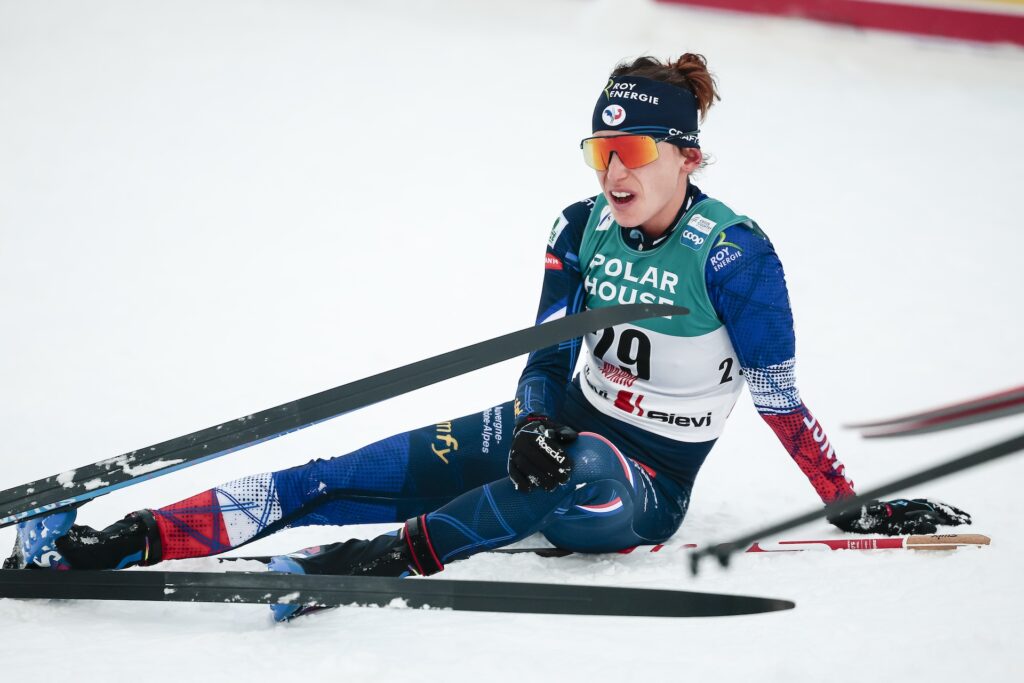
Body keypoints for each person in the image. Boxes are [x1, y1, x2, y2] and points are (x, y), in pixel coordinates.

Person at [8, 54, 970, 619]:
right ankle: (119, 542)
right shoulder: (577, 226)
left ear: (687, 155)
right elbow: (548, 350)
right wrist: (530, 418)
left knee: (581, 462)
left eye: (632, 154)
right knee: (332, 472)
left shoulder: (736, 256)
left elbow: (778, 398)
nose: (613, 176)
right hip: (556, 428)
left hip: (637, 487)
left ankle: (382, 562)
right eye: (601, 153)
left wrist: (851, 505)